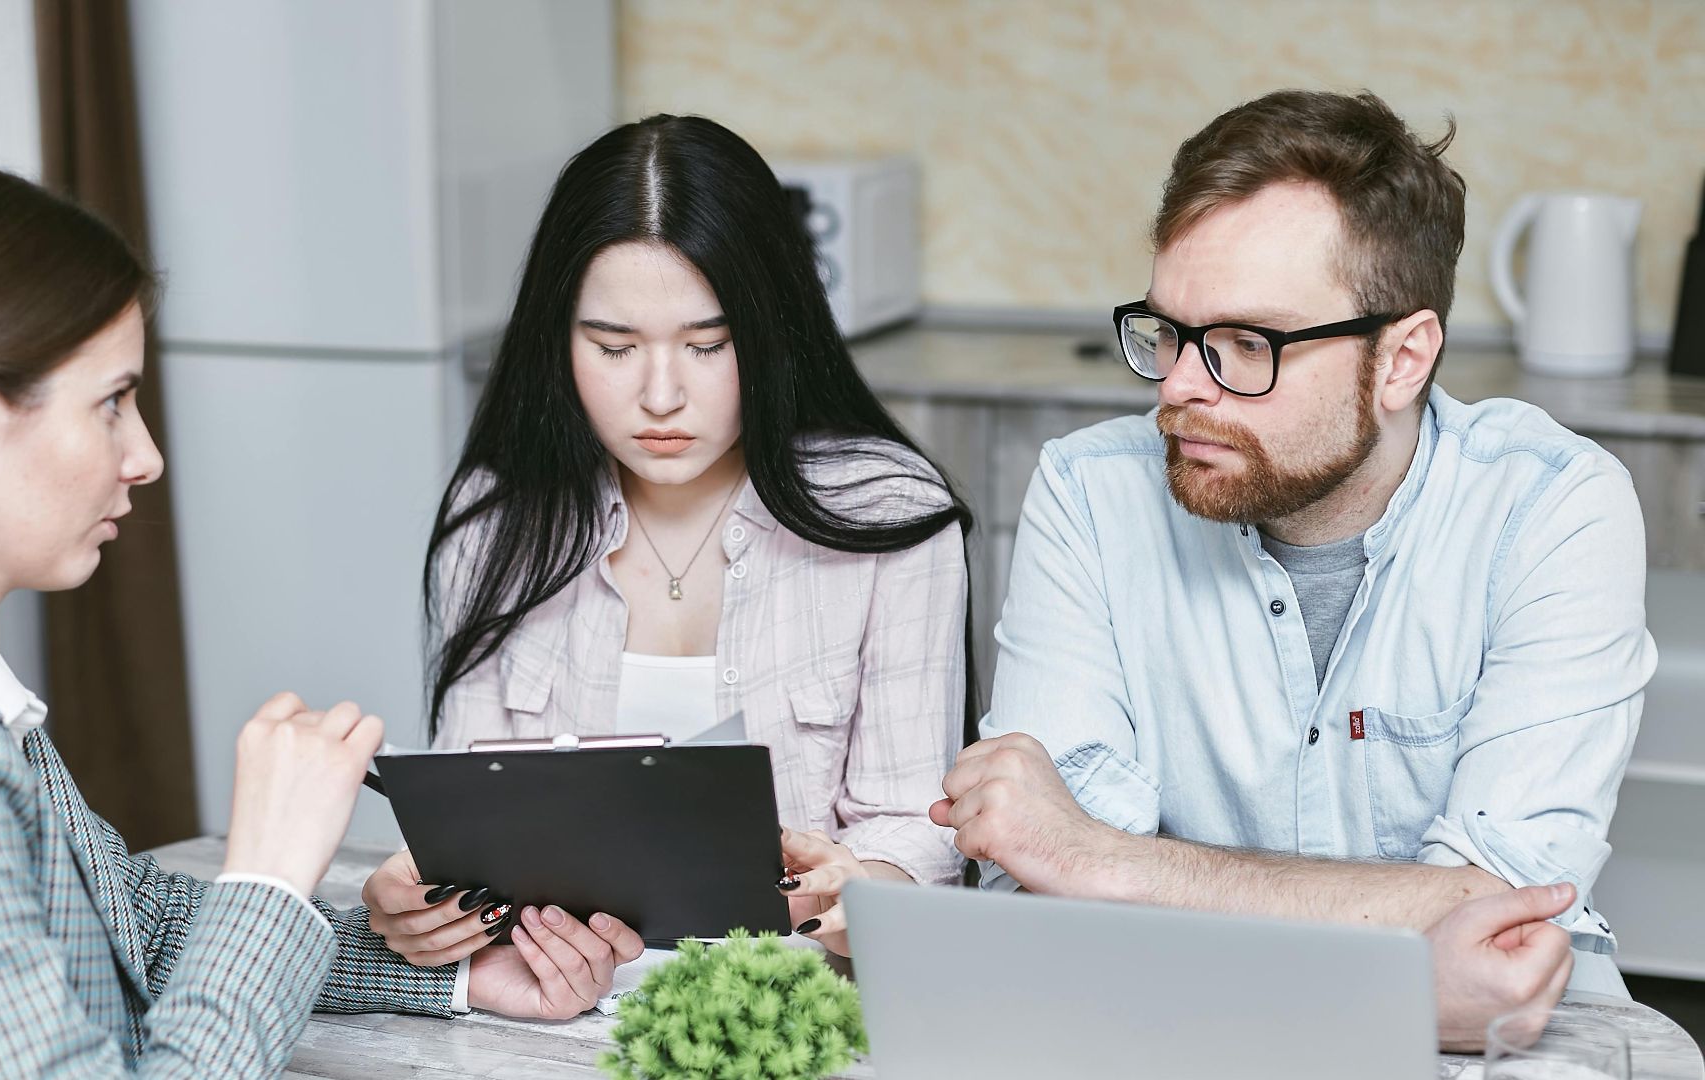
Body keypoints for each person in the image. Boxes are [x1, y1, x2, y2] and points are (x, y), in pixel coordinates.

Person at [0, 166, 642, 1077]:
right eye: (112, 402)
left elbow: (131, 927)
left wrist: (450, 974)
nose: (145, 456)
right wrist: (270, 871)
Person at [935, 87, 1654, 1015]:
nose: (1182, 388)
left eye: (1246, 343)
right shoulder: (1089, 493)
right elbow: (1040, 891)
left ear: (1403, 359)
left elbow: (1502, 918)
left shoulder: (1554, 507)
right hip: (1160, 1026)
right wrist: (1403, 943)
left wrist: (1106, 860)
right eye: (1169, 332)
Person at [361, 115, 972, 960]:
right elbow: (470, 833)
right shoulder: (497, 518)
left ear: (772, 331)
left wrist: (870, 884)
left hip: (794, 1009)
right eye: (613, 347)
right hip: (546, 1014)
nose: (660, 397)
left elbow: (921, 829)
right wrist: (426, 904)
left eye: (708, 345)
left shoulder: (886, 515)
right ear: (557, 338)